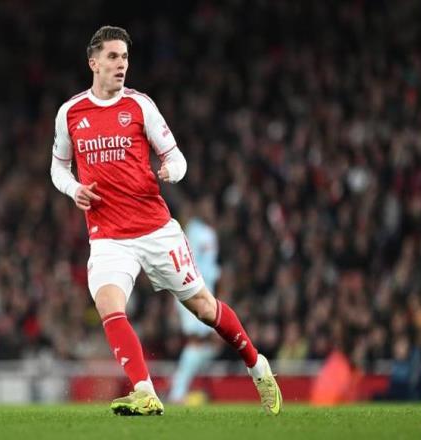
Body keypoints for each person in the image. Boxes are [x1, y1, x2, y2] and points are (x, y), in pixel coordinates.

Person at [50, 25, 282, 416]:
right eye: (113, 56)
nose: (121, 64)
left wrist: (172, 170)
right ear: (93, 63)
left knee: (204, 308)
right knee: (108, 304)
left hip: (155, 230)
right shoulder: (70, 113)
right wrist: (73, 189)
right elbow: (58, 168)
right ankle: (144, 391)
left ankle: (258, 366)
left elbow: (176, 157)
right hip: (108, 235)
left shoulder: (140, 106)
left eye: (125, 57)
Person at [168, 195, 221, 404]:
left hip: (205, 293)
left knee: (211, 343)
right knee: (197, 340)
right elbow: (184, 263)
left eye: (212, 207)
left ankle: (181, 385)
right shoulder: (194, 230)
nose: (209, 210)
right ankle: (177, 393)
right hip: (192, 290)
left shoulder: (209, 233)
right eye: (205, 206)